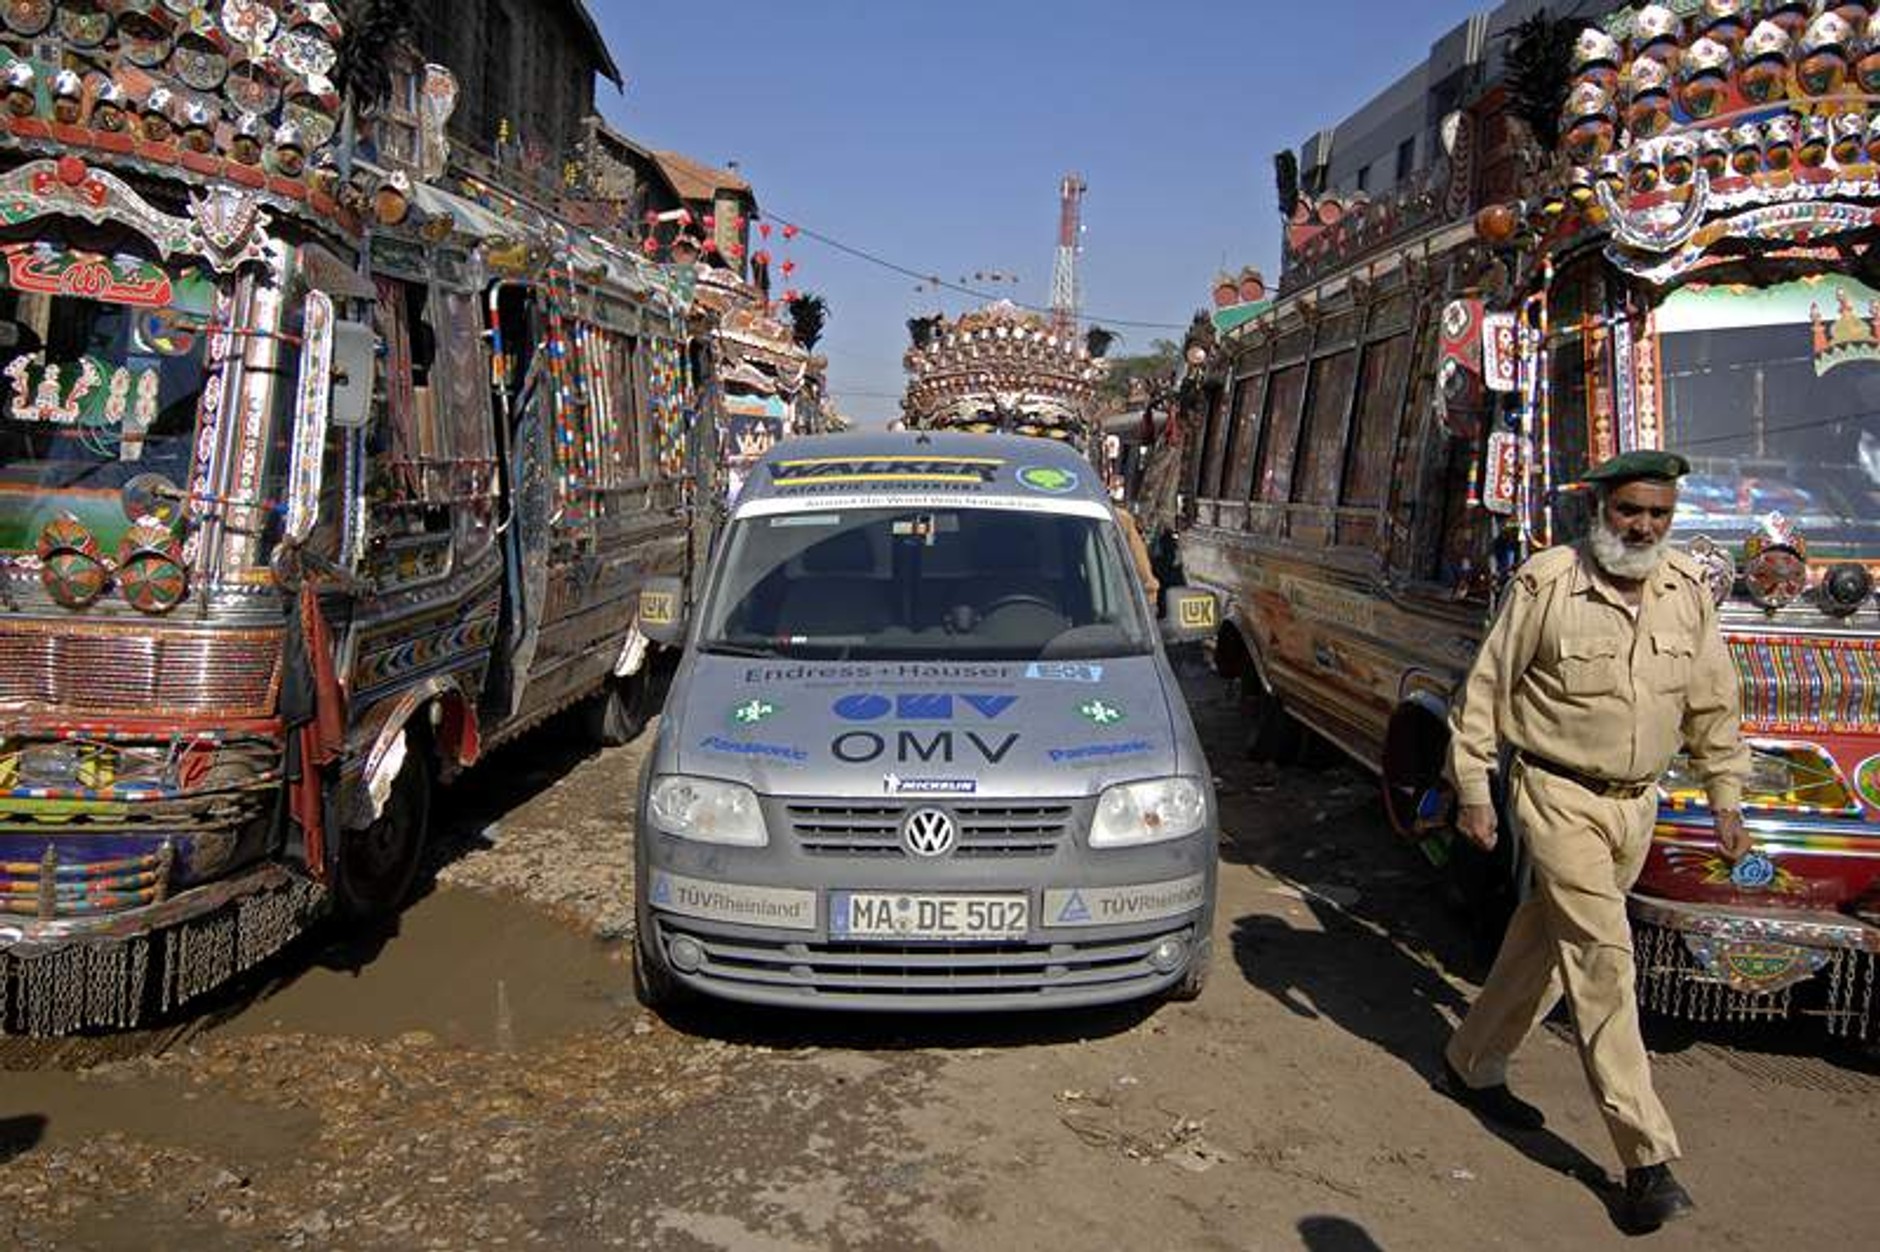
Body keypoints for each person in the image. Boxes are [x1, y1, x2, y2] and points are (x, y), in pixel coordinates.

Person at [1438, 449, 1750, 1232]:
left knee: (1546, 941)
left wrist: (1725, 796)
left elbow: (1714, 702)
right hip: (1556, 793)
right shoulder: (1547, 583)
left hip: (1634, 806)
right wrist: (1473, 786)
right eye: (1630, 511)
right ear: (1599, 509)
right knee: (1605, 962)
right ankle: (1646, 1160)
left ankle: (1471, 1063)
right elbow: (1485, 689)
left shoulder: (1686, 594)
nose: (1643, 527)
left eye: (1659, 514)